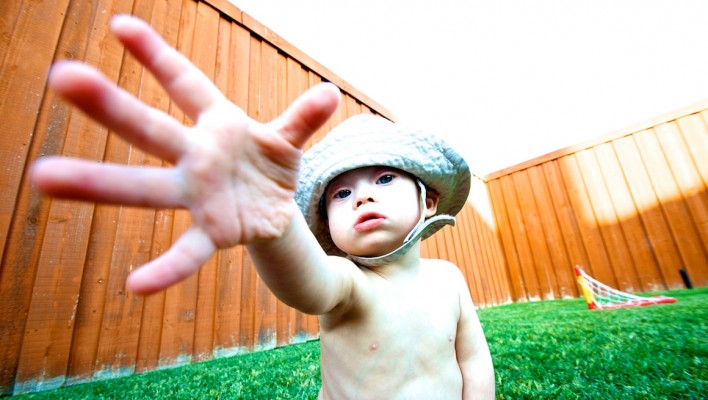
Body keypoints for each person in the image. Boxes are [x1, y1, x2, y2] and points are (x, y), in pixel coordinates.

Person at [32, 14, 494, 399]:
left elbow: (472, 359)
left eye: (385, 178)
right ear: (328, 227)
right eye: (342, 193)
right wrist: (274, 225)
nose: (364, 196)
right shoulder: (350, 286)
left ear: (429, 200)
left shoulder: (448, 279)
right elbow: (306, 283)